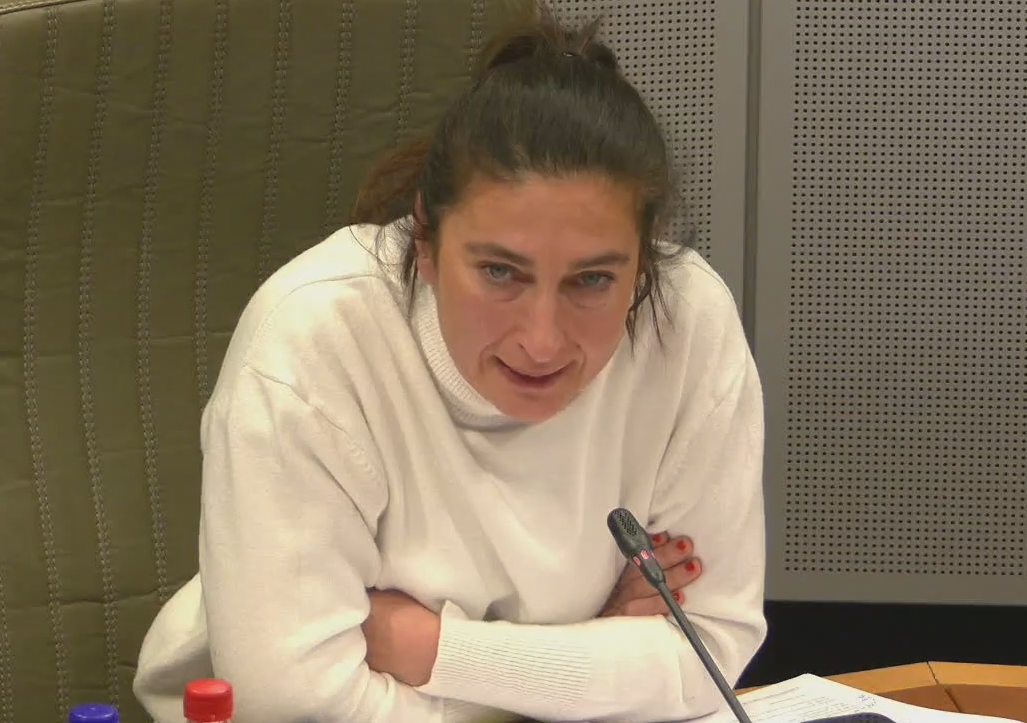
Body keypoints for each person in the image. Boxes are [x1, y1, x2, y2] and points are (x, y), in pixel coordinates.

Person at [132, 3, 766, 723]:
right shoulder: (314, 337)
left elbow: (711, 653)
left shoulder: (688, 323)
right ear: (426, 242)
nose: (542, 341)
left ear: (643, 263)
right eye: (499, 272)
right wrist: (591, 667)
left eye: (592, 280)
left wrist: (425, 646)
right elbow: (294, 702)